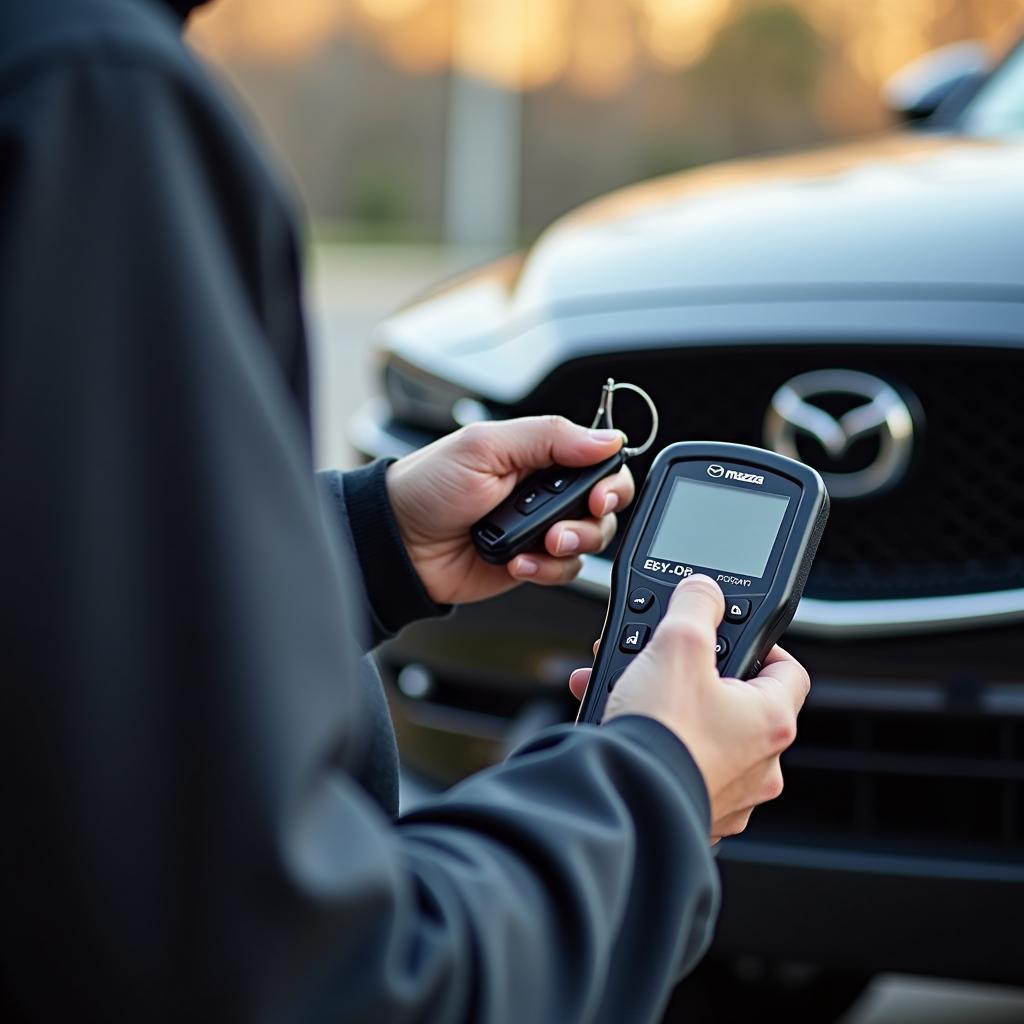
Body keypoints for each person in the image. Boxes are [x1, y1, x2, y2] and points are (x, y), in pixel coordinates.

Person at [0, 1, 810, 1020]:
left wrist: (365, 541)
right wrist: (654, 788)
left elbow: (60, 616)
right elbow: (298, 980)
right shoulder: (89, 94)